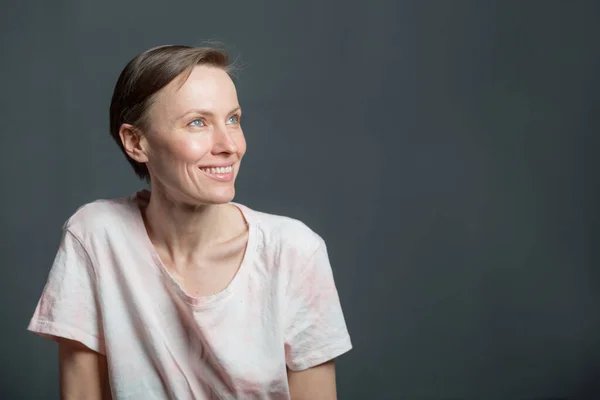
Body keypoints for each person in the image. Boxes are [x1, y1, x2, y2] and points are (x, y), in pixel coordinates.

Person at [27, 44, 352, 399]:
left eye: (233, 119)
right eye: (198, 122)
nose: (230, 144)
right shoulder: (94, 237)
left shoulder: (294, 252)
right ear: (136, 142)